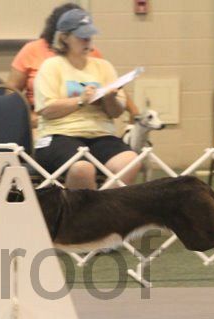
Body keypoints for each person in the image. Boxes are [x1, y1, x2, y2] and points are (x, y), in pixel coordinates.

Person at [33, 9, 140, 190]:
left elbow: (116, 112)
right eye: (82, 37)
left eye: (89, 36)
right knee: (82, 168)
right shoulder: (51, 67)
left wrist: (110, 99)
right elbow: (47, 110)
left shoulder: (103, 66)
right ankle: (82, 214)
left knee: (130, 161)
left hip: (100, 134)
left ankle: (103, 208)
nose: (87, 41)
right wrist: (81, 101)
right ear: (64, 38)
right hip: (59, 135)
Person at [7, 3, 139, 127]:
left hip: (88, 120)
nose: (86, 41)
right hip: (43, 118)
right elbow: (10, 93)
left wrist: (134, 111)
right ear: (62, 36)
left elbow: (111, 86)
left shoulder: (91, 54)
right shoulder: (32, 50)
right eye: (80, 35)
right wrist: (27, 118)